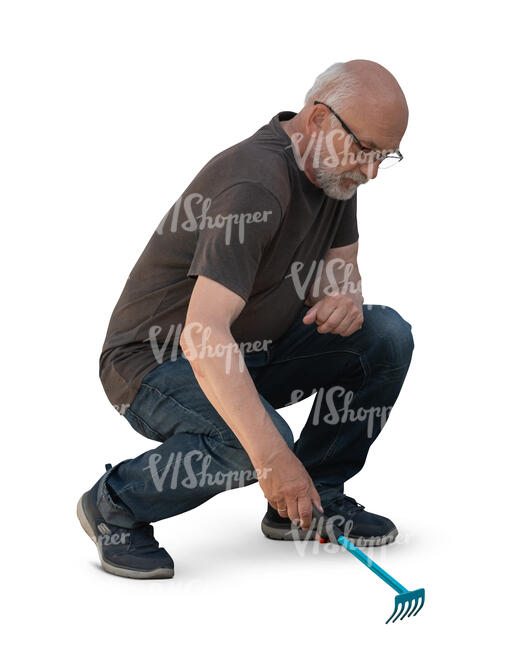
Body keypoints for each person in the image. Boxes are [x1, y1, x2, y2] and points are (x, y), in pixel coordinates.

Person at [77, 59, 414, 579]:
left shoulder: (334, 173)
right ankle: (115, 504)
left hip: (251, 350)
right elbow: (203, 331)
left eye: (384, 155)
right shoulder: (254, 183)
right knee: (251, 443)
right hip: (156, 362)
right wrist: (272, 457)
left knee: (385, 336)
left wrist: (346, 295)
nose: (371, 170)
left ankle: (307, 503)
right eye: (365, 149)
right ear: (320, 119)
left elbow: (342, 266)